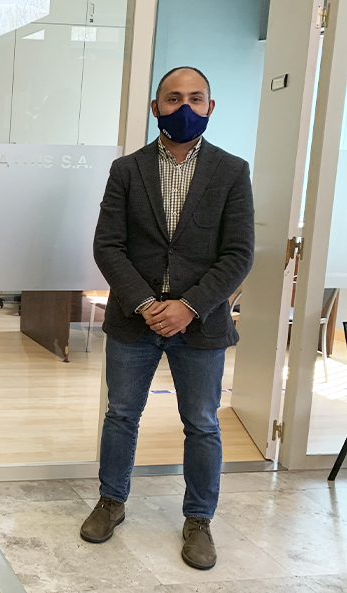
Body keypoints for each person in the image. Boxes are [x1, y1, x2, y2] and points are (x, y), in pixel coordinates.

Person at [82, 66, 255, 570]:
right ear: (155, 107)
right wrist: (145, 303)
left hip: (200, 323)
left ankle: (199, 519)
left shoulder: (231, 171)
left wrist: (188, 306)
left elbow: (238, 253)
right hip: (134, 319)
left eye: (195, 98)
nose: (184, 107)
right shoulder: (127, 170)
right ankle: (111, 501)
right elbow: (108, 246)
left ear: (210, 107)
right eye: (173, 98)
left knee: (201, 422)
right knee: (121, 415)